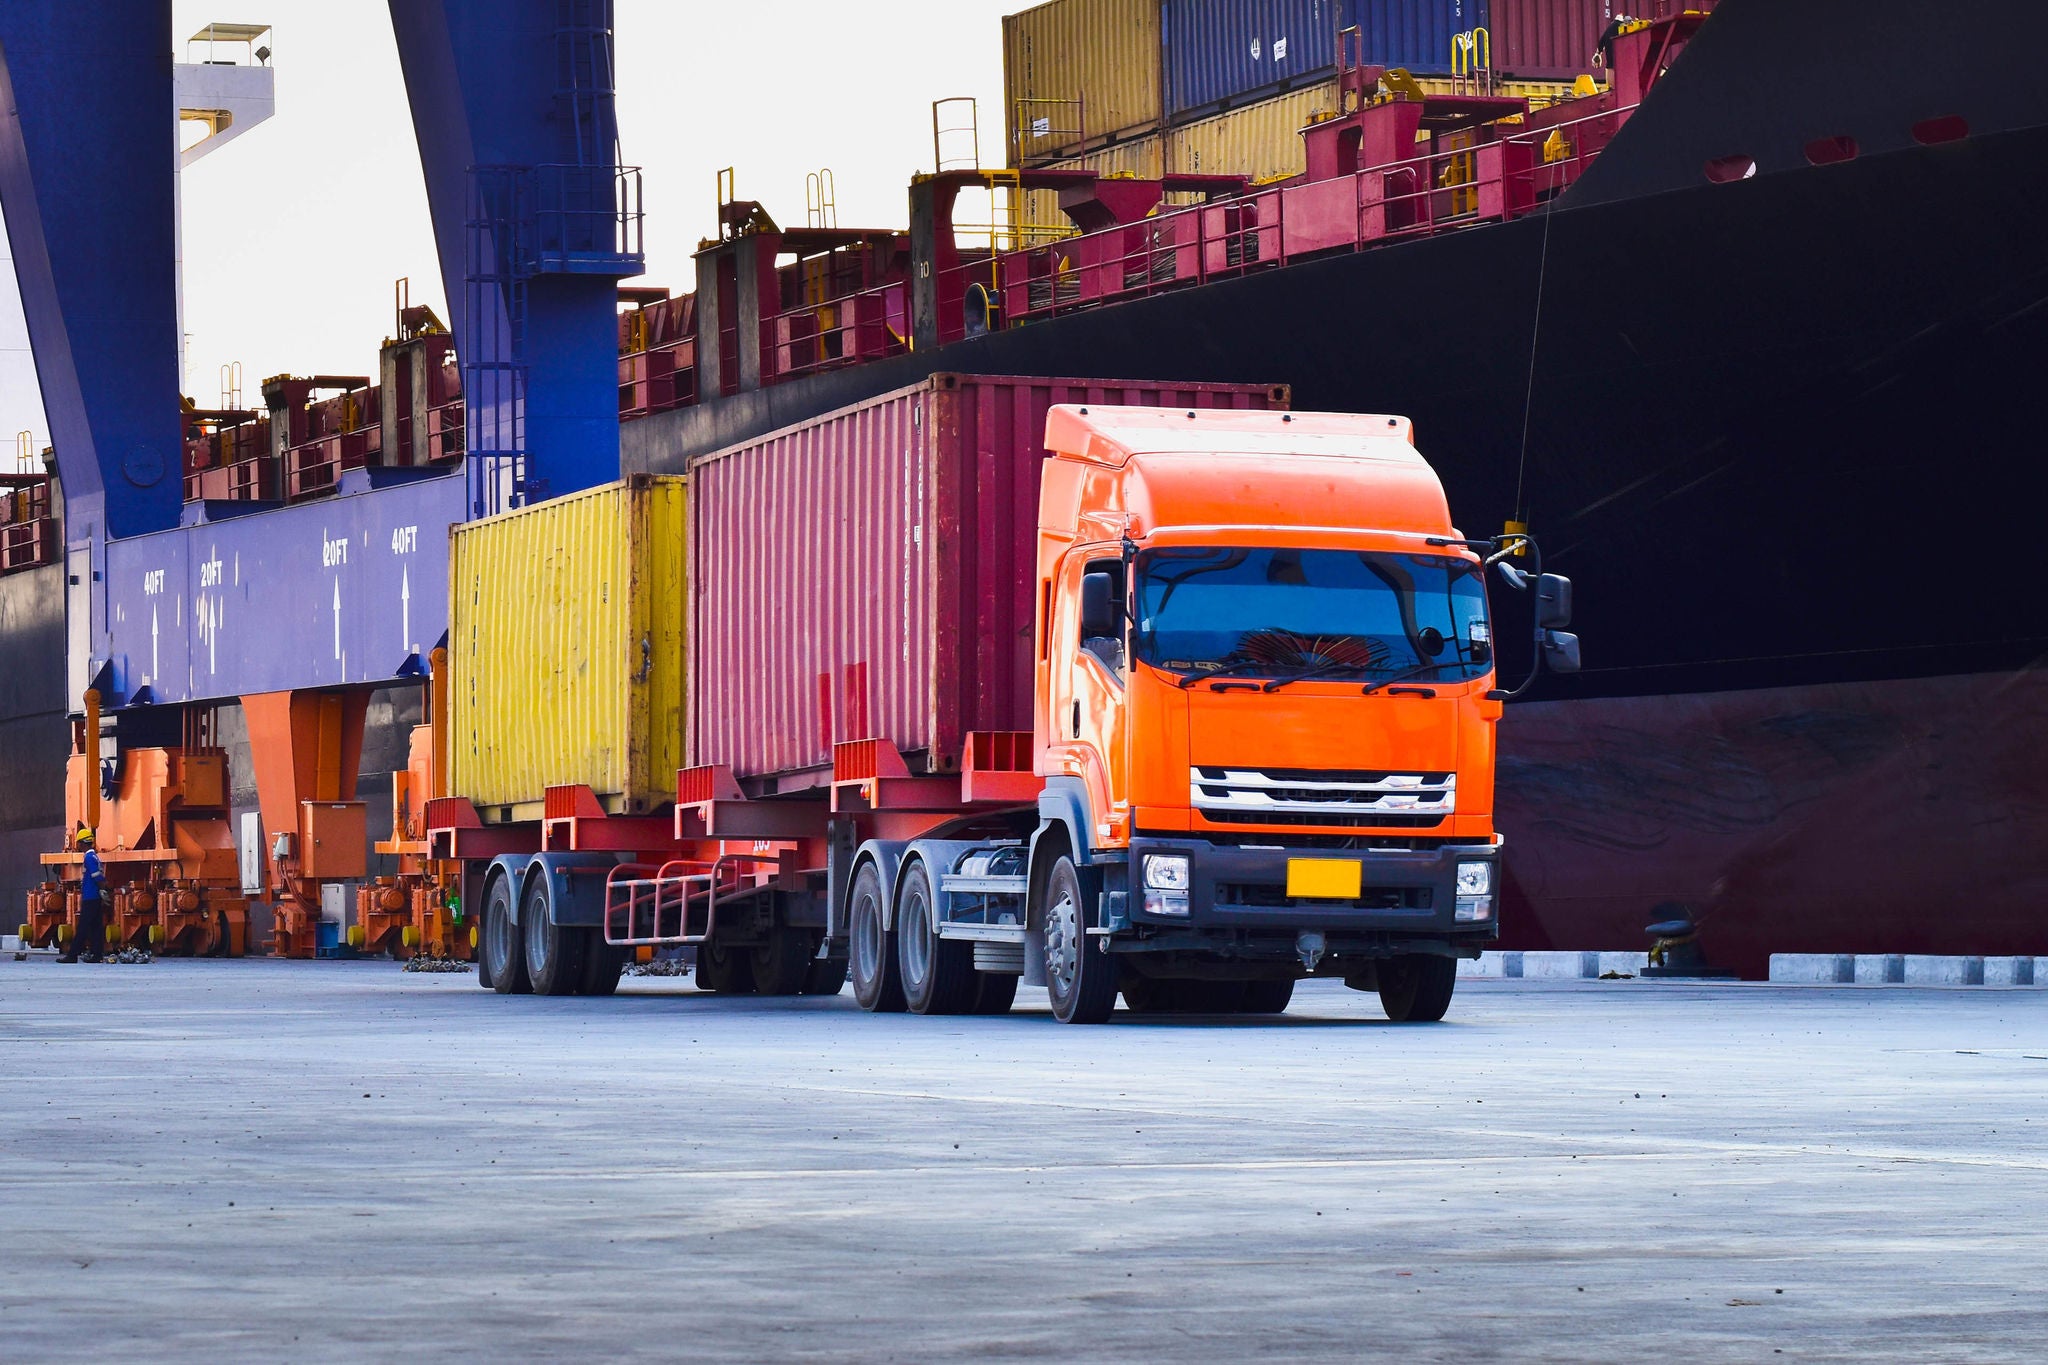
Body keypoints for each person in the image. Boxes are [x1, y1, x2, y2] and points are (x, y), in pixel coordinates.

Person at [57, 826, 106, 963]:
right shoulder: (95, 857)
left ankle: (72, 955)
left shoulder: (89, 858)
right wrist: (104, 889)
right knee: (96, 927)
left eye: (78, 842)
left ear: (82, 843)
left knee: (83, 927)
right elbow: (99, 875)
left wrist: (103, 887)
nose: (77, 845)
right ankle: (97, 955)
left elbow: (96, 876)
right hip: (95, 897)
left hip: (90, 897)